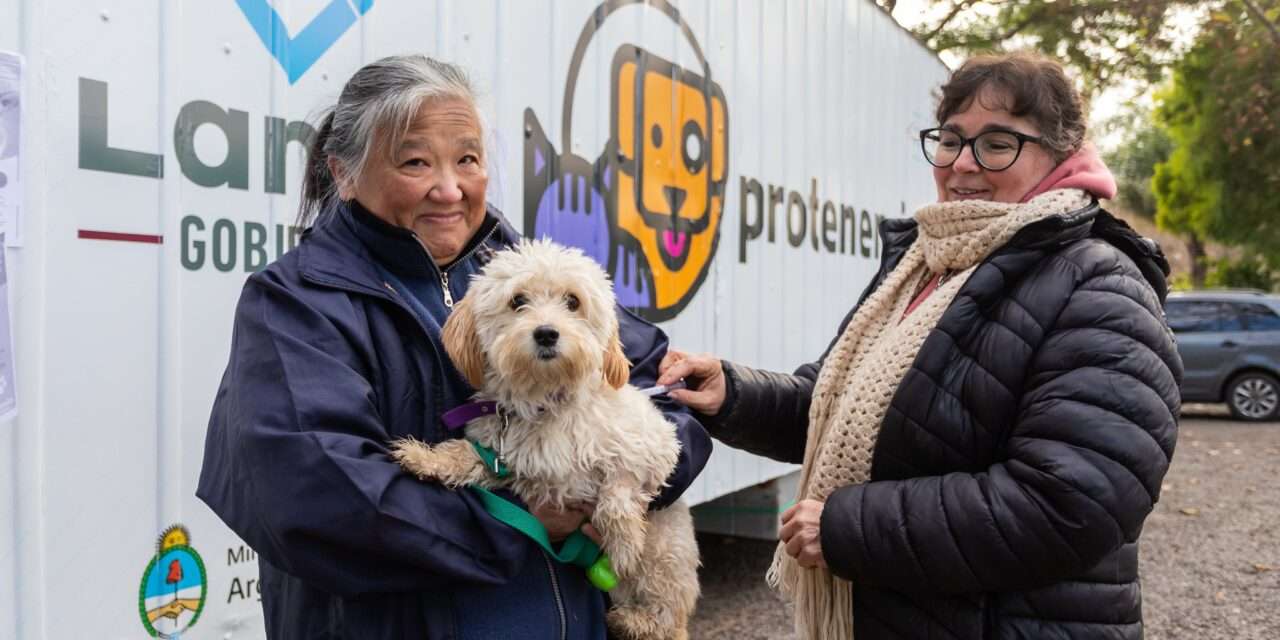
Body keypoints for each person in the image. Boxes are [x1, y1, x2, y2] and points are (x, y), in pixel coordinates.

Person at [658, 51, 1182, 640]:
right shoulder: (922, 266)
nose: (963, 164)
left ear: (1062, 153)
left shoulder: (1099, 284)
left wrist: (849, 528)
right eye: (951, 139)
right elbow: (840, 408)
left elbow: (1068, 504)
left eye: (998, 144)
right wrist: (733, 393)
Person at [196, 55, 711, 640]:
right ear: (342, 173)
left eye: (467, 159)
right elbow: (316, 500)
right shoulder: (295, 302)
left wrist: (615, 483)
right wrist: (525, 522)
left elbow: (663, 388)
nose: (450, 189)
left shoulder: (524, 270)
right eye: (416, 162)